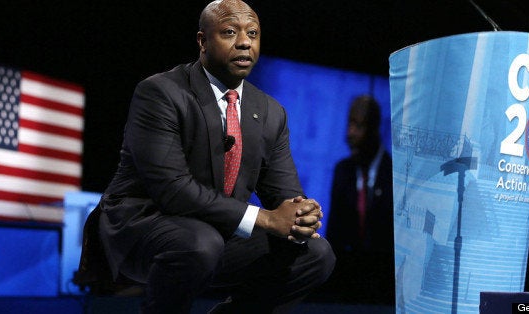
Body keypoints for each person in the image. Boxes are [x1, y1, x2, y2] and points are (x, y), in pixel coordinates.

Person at [74, 1, 335, 313]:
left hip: (217, 233)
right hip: (144, 227)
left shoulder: (270, 112)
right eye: (229, 32)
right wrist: (265, 218)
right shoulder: (160, 93)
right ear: (202, 41)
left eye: (252, 33)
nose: (244, 42)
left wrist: (300, 214)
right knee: (200, 242)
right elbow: (172, 190)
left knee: (316, 253)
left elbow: (284, 193)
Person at [322, 94, 395, 305]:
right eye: (349, 124)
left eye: (358, 126)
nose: (349, 133)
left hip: (384, 293)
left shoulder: (395, 174)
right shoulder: (342, 171)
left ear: (375, 130)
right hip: (345, 290)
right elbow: (334, 234)